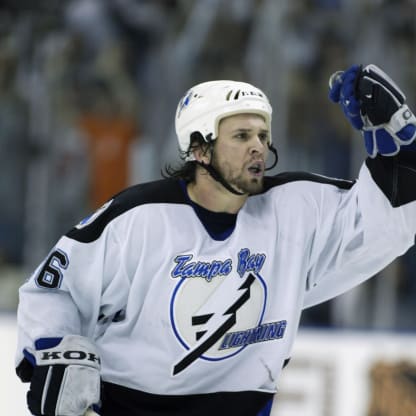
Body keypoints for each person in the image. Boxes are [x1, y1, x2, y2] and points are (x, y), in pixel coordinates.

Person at [15, 64, 416, 416]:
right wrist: (52, 351)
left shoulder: (296, 209)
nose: (258, 145)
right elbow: (54, 290)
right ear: (199, 148)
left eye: (262, 134)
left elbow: (385, 226)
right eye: (241, 135)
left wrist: (401, 157)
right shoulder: (138, 218)